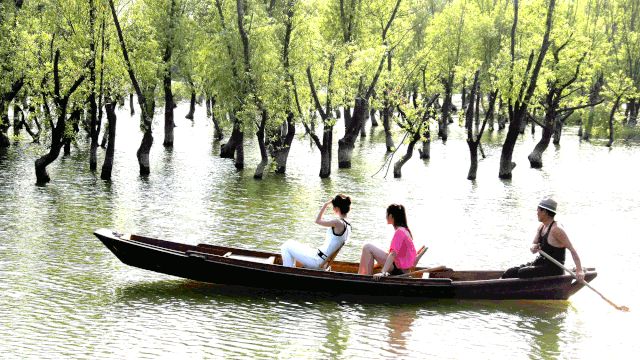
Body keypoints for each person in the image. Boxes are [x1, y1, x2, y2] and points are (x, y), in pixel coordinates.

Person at [502, 198, 585, 281]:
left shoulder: (557, 229)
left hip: (554, 269)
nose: (536, 213)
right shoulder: (541, 226)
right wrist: (534, 247)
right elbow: (533, 246)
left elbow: (572, 250)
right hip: (540, 264)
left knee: (522, 272)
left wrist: (579, 270)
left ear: (544, 212)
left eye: (538, 210)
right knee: (510, 272)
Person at [280, 194, 352, 268]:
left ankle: (288, 272)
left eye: (333, 207)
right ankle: (291, 269)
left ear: (336, 208)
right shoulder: (348, 226)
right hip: (320, 257)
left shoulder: (337, 222)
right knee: (290, 242)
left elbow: (317, 220)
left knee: (286, 246)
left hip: (317, 260)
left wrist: (325, 205)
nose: (333, 209)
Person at [358, 204, 417, 278]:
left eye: (387, 214)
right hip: (401, 268)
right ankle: (365, 275)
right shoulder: (405, 230)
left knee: (367, 247)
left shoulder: (400, 232)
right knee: (370, 249)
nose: (386, 217)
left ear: (391, 216)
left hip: (398, 270)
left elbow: (393, 254)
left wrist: (383, 272)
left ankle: (364, 278)